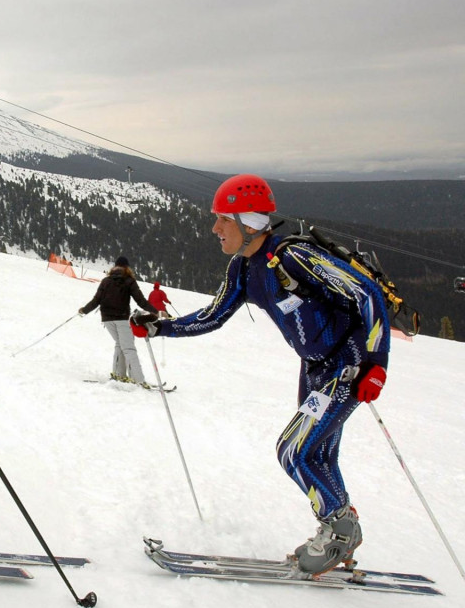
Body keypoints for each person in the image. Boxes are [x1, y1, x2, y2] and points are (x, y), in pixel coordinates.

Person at [130, 174, 391, 575]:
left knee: (293, 450)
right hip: (316, 369)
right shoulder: (243, 268)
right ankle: (339, 530)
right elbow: (212, 316)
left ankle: (341, 531)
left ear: (249, 223)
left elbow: (367, 295)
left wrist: (375, 364)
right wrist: (159, 326)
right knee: (317, 453)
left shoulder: (293, 256)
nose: (215, 228)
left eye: (223, 219)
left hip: (350, 366)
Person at [78, 256, 158, 385]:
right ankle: (138, 380)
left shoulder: (106, 281)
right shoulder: (129, 281)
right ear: (127, 267)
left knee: (120, 344)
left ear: (114, 267)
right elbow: (141, 301)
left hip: (107, 319)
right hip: (121, 318)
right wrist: (155, 311)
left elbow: (96, 300)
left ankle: (119, 375)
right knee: (129, 348)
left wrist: (84, 310)